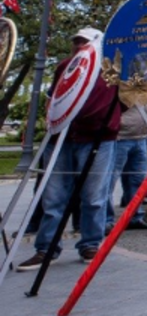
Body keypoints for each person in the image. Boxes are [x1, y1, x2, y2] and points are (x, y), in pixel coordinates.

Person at [15, 29, 120, 271]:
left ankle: (91, 243)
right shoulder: (66, 66)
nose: (79, 46)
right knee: (53, 196)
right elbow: (56, 98)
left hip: (97, 137)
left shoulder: (112, 67)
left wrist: (106, 120)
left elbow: (124, 99)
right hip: (62, 136)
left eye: (84, 42)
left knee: (94, 196)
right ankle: (46, 248)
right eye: (76, 42)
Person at [106, 101, 147, 230]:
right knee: (109, 180)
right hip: (120, 136)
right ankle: (106, 220)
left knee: (138, 180)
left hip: (140, 137)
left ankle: (135, 216)